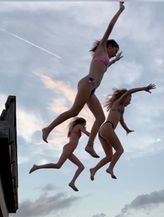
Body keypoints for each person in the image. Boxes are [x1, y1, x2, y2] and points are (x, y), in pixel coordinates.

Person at [42, 1, 125, 159]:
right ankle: (48, 128)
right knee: (74, 111)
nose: (115, 52)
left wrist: (116, 61)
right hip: (88, 82)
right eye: (115, 50)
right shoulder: (101, 48)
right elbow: (110, 26)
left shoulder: (105, 59)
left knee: (100, 118)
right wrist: (120, 10)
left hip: (91, 88)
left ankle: (89, 145)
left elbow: (105, 67)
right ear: (109, 46)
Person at [89, 83, 156, 180]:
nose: (130, 102)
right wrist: (144, 88)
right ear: (125, 97)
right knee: (120, 150)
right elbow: (129, 91)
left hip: (103, 130)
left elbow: (122, 121)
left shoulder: (121, 109)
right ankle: (110, 168)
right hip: (108, 127)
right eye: (129, 99)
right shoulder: (118, 102)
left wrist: (127, 129)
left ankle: (94, 169)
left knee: (109, 157)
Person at [29, 117, 89, 191]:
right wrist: (95, 132)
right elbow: (88, 134)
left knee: (81, 167)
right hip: (68, 148)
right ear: (82, 123)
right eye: (85, 124)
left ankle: (72, 182)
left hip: (69, 149)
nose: (85, 125)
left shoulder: (76, 127)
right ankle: (37, 167)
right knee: (58, 165)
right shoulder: (78, 126)